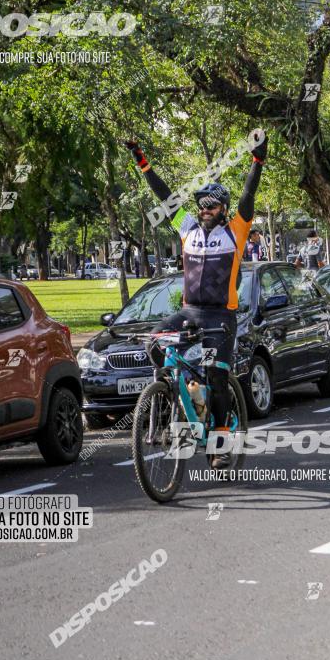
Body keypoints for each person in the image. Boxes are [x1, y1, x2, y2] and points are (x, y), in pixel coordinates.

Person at [125, 129, 268, 469]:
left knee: (216, 373)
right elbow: (165, 196)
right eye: (201, 205)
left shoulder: (236, 229)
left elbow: (248, 194)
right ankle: (181, 396)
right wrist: (141, 160)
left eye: (212, 206)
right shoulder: (186, 227)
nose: (205, 210)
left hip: (221, 316)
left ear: (223, 209)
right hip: (189, 311)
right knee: (154, 344)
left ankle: (218, 444)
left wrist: (257, 160)